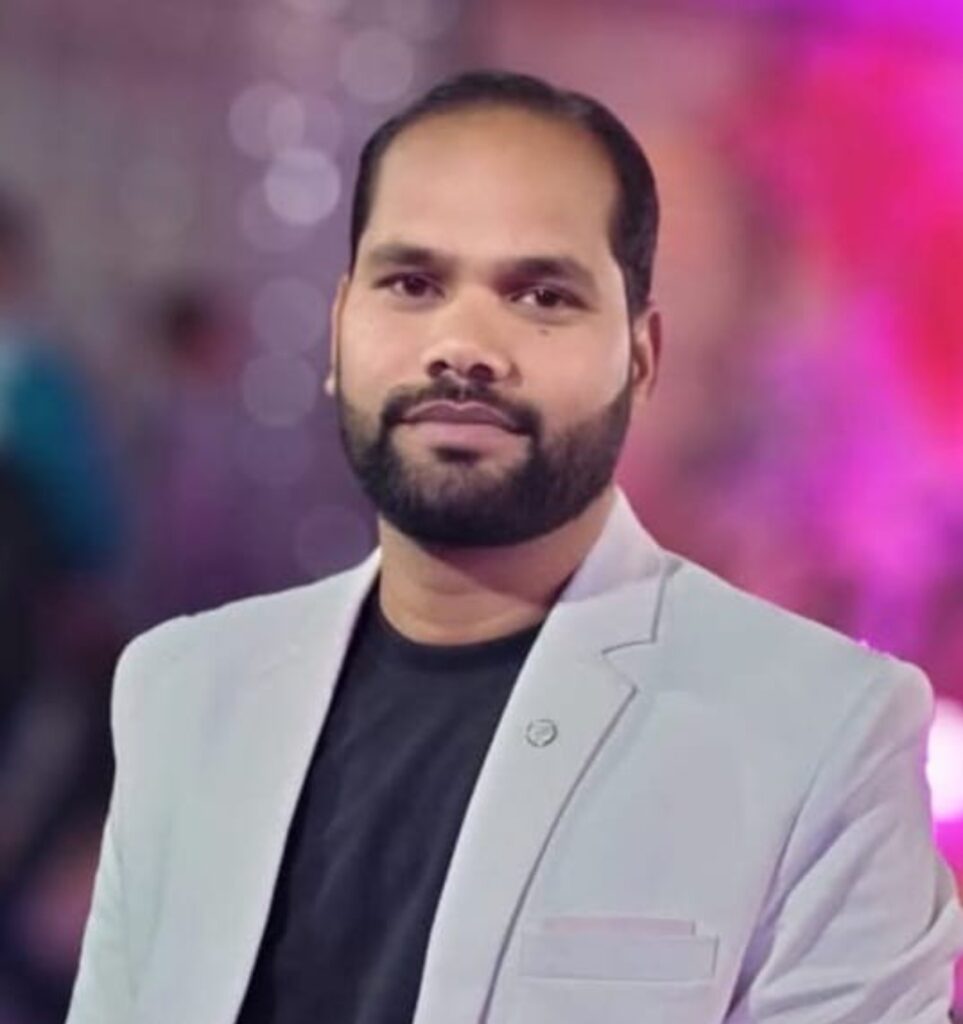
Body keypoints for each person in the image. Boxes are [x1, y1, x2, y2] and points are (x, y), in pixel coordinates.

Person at [66, 70, 962, 1024]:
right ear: (337, 332)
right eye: (412, 284)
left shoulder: (822, 729)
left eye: (540, 294)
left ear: (641, 357)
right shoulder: (184, 689)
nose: (462, 345)